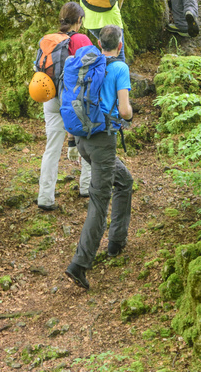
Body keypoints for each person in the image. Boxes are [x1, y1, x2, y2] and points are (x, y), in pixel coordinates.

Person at [65, 25, 133, 290]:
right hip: (103, 141)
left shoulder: (89, 62)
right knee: (98, 199)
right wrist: (127, 113)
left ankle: (116, 241)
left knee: (124, 181)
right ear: (119, 46)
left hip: (83, 139)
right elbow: (125, 110)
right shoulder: (119, 68)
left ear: (99, 43)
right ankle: (79, 264)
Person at [37, 2, 94, 211]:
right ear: (79, 21)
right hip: (73, 98)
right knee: (86, 138)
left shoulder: (49, 40)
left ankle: (45, 197)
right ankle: (86, 186)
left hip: (50, 97)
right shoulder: (82, 39)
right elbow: (92, 70)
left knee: (51, 148)